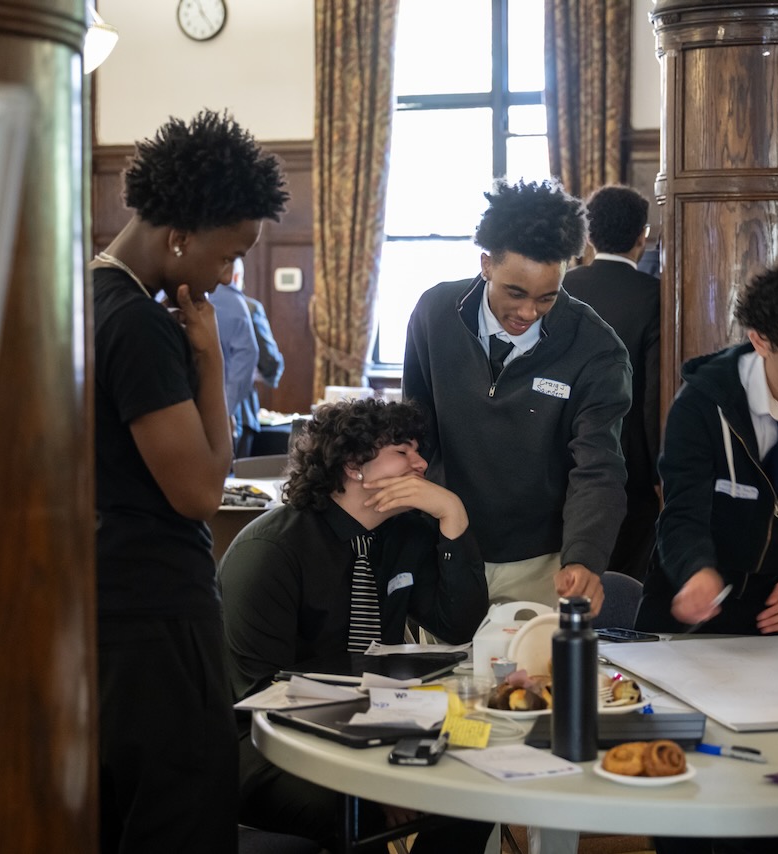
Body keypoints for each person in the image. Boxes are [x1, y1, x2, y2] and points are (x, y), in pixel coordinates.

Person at [92, 108, 288, 854]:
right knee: (183, 816)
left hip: (104, 596)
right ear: (179, 237)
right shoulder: (138, 324)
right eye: (229, 255)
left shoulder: (86, 296)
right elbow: (202, 493)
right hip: (155, 610)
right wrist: (208, 360)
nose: (229, 276)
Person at [219, 398, 491, 852]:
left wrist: (453, 516)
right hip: (264, 741)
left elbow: (458, 624)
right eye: (402, 451)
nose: (421, 463)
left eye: (418, 450)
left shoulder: (404, 535)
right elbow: (261, 694)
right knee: (356, 806)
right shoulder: (270, 551)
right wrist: (371, 769)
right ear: (352, 465)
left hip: (375, 719)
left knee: (477, 785)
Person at [402, 178, 632, 617]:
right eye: (516, 292)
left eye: (547, 297)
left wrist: (584, 557)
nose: (528, 313)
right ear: (486, 264)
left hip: (539, 562)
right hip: (442, 544)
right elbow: (413, 428)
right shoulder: (434, 313)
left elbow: (599, 467)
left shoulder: (597, 349)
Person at [636, 258, 778, 636]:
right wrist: (695, 570)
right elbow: (682, 510)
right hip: (693, 607)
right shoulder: (703, 402)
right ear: (761, 341)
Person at [563, 185, 661, 581]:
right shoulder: (656, 296)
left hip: (564, 455)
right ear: (642, 237)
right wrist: (659, 473)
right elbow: (654, 396)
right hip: (630, 460)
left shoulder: (561, 288)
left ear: (588, 235)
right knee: (626, 580)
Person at [207, 261, 260, 460]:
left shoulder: (173, 295)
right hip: (231, 410)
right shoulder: (234, 301)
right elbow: (248, 354)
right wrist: (226, 409)